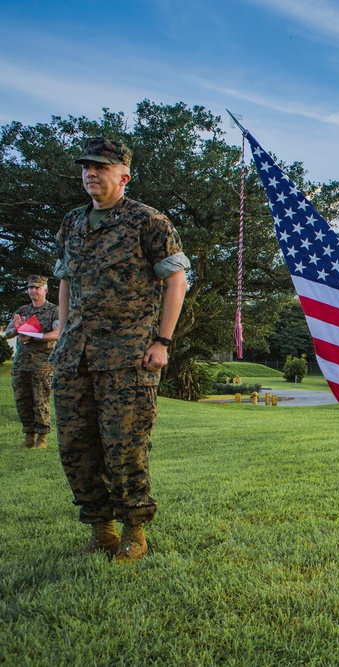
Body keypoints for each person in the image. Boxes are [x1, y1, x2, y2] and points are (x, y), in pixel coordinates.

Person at [51, 137, 190, 562]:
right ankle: (101, 530)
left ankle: (134, 532)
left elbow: (176, 280)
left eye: (101, 167)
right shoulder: (72, 223)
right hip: (75, 355)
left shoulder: (148, 222)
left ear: (123, 176)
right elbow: (65, 281)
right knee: (76, 446)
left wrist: (162, 341)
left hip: (128, 356)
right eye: (86, 167)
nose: (91, 173)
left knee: (124, 446)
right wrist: (61, 330)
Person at [5, 275, 61, 448]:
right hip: (21, 364)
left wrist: (34, 336)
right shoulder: (22, 310)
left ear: (45, 290)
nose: (33, 290)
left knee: (41, 401)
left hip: (42, 364)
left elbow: (57, 333)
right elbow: (8, 333)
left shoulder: (53, 310)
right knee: (23, 400)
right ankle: (29, 436)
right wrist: (16, 328)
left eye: (37, 287)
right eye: (30, 287)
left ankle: (42, 438)